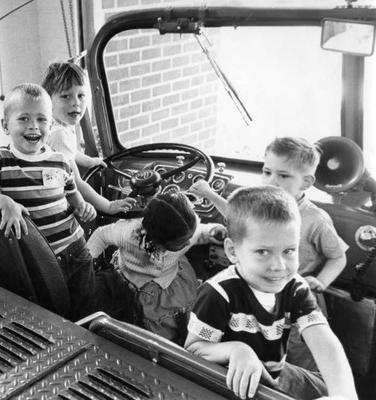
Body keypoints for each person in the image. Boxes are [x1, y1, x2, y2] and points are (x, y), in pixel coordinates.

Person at [189, 136, 348, 371]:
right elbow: (236, 215)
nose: (271, 181)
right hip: (260, 285)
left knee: (300, 352)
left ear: (306, 182)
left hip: (297, 289)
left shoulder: (316, 220)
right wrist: (209, 194)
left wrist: (320, 281)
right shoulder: (221, 292)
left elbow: (338, 256)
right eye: (266, 172)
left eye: (283, 176)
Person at [184, 185, 357, 400]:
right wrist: (236, 350)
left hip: (273, 375)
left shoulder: (294, 287)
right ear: (231, 251)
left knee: (326, 387)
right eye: (263, 252)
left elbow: (323, 340)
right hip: (228, 383)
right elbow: (193, 349)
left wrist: (344, 394)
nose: (278, 266)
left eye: (289, 251)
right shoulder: (219, 293)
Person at [0, 83, 97, 321]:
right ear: (5, 126)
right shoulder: (0, 159)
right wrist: (4, 202)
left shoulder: (60, 160)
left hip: (76, 250)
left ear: (50, 125)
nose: (34, 126)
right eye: (24, 119)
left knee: (87, 314)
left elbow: (72, 194)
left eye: (42, 119)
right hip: (39, 259)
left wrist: (84, 206)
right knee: (54, 319)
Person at [87, 191, 226, 345]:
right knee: (143, 326)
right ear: (159, 239)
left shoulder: (185, 232)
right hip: (129, 279)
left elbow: (201, 233)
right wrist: (87, 266)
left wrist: (214, 232)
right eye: (181, 243)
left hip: (169, 280)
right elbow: (101, 235)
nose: (188, 244)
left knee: (174, 321)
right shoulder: (127, 233)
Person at [41, 61, 136, 215]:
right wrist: (108, 206)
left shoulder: (59, 125)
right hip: (53, 207)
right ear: (48, 101)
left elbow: (69, 152)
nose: (76, 103)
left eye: (81, 95)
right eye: (66, 96)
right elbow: (76, 183)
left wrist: (89, 161)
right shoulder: (59, 134)